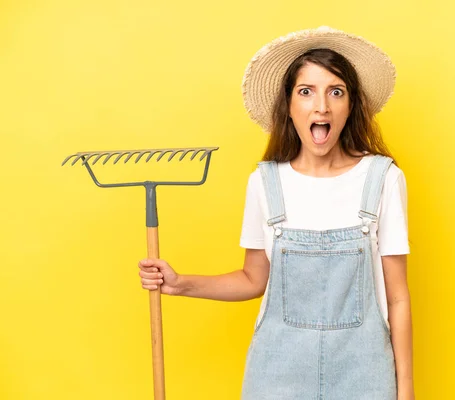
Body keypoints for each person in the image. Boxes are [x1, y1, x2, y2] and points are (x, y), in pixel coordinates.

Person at [138, 26, 415, 400]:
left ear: (351, 105)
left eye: (336, 91)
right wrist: (179, 283)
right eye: (306, 92)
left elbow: (397, 298)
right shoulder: (265, 182)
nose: (322, 106)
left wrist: (405, 390)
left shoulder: (383, 178)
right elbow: (253, 279)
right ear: (289, 105)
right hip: (277, 375)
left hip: (364, 373)